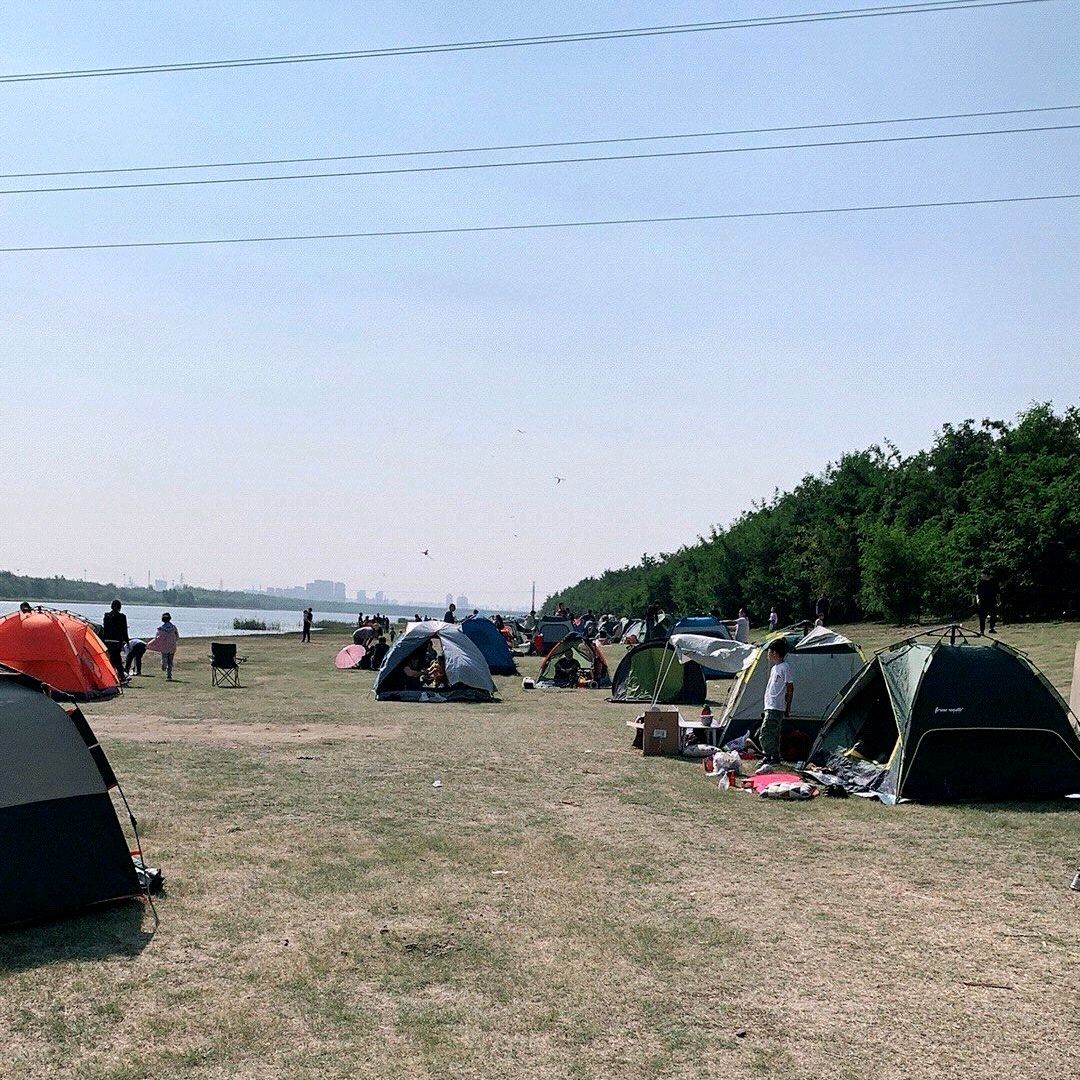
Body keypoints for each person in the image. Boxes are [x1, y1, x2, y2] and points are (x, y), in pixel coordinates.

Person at [757, 637, 794, 770]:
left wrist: (788, 707)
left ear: (775, 653)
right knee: (773, 733)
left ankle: (768, 755)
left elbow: (790, 687)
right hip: (769, 705)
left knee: (766, 733)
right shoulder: (774, 668)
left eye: (770, 651)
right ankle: (775, 757)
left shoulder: (785, 667)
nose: (768, 654)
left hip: (776, 706)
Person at [102, 600, 129, 681]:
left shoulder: (107, 616)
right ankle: (121, 677)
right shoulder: (122, 617)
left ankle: (110, 676)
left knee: (110, 658)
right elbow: (124, 630)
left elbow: (105, 628)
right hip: (117, 641)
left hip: (107, 640)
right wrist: (127, 641)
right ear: (120, 607)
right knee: (117, 660)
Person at [148, 613, 180, 681]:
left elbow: (157, 638)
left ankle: (164, 664)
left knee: (164, 657)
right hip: (172, 646)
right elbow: (177, 637)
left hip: (164, 647)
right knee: (170, 661)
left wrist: (149, 644)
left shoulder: (161, 628)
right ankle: (169, 676)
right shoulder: (174, 627)